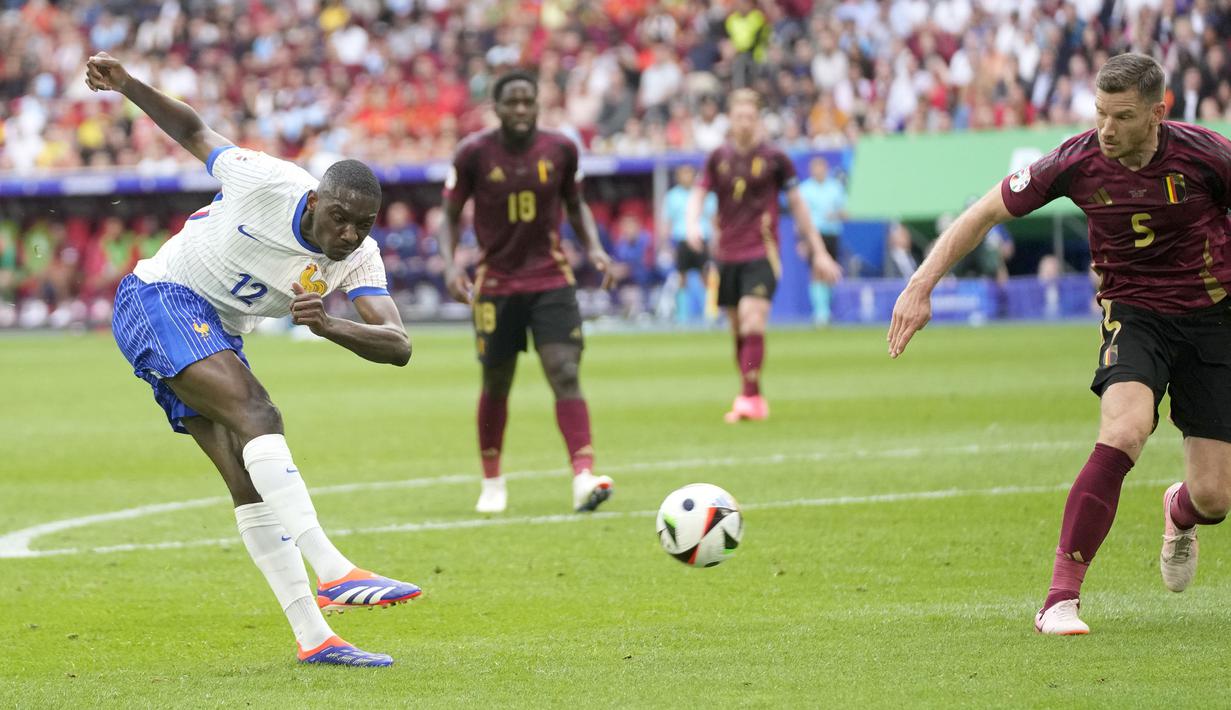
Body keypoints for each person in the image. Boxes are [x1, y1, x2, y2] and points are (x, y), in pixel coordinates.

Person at [86, 52, 420, 667]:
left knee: (248, 479)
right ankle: (333, 567)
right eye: (340, 218)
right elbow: (193, 132)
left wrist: (332, 325)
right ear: (316, 200)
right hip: (158, 297)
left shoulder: (357, 258)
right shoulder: (265, 180)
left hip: (215, 333)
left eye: (362, 225)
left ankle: (315, 637)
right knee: (259, 414)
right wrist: (127, 83)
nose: (347, 235)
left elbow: (398, 345)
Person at [887, 53, 1231, 635]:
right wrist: (920, 285)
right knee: (1124, 430)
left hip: (1212, 319)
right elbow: (984, 212)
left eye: (1121, 117)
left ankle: (1179, 509)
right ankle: (1059, 599)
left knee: (1214, 497)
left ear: (1157, 113)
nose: (1107, 129)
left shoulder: (1206, 156)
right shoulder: (1078, 160)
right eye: (1100, 113)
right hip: (1134, 314)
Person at [440, 70, 616, 516]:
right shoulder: (473, 153)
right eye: (512, 102)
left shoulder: (561, 149)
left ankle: (583, 476)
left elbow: (576, 205)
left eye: (527, 101)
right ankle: (493, 481)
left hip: (551, 279)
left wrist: (594, 249)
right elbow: (449, 215)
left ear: (538, 105)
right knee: (497, 381)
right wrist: (449, 265)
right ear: (495, 108)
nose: (521, 109)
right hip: (495, 283)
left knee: (565, 370)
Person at [686, 89, 842, 423]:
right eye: (738, 116)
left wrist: (820, 252)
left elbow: (798, 206)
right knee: (737, 330)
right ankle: (752, 394)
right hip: (726, 254)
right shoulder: (717, 157)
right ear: (731, 118)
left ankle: (748, 398)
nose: (744, 122)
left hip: (762, 251)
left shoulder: (775, 159)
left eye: (750, 117)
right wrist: (691, 225)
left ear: (758, 120)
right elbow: (698, 194)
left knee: (752, 317)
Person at [660, 164, 716, 323]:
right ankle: (682, 315)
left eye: (689, 174)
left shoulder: (704, 195)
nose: (686, 177)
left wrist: (714, 242)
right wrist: (665, 244)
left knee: (706, 276)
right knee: (681, 277)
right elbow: (667, 222)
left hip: (701, 238)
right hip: (681, 239)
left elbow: (713, 219)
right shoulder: (672, 196)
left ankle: (710, 314)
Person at [797, 156, 847, 325]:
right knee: (816, 270)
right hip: (814, 235)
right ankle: (820, 312)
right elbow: (800, 217)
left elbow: (845, 212)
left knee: (830, 271)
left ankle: (827, 308)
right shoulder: (805, 189)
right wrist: (801, 240)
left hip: (832, 233)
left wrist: (835, 215)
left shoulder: (835, 188)